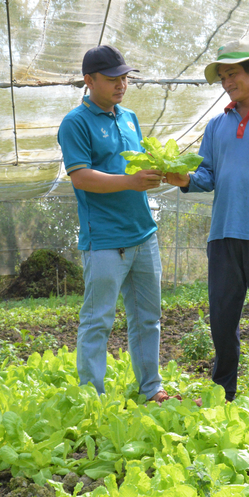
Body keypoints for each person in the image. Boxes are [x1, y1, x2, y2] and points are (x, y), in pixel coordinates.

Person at [164, 40, 249, 403]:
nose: (227, 82)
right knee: (222, 319)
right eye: (222, 76)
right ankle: (223, 389)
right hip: (223, 234)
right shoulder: (217, 125)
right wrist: (184, 179)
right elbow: (207, 175)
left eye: (233, 74)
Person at [57, 45, 177, 403]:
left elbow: (137, 164)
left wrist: (159, 170)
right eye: (112, 79)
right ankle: (91, 397)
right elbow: (80, 177)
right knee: (98, 319)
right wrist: (130, 182)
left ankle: (150, 388)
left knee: (148, 318)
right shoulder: (75, 123)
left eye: (124, 78)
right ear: (89, 80)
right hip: (106, 240)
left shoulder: (129, 118)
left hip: (144, 234)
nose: (121, 84)